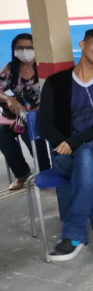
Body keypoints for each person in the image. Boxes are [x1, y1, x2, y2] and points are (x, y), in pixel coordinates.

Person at [38, 29, 93, 263]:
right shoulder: (57, 83)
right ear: (83, 44)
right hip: (64, 154)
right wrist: (64, 144)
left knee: (87, 153)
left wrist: (75, 142)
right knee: (91, 174)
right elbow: (45, 125)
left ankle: (73, 233)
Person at [0, 34, 50, 190]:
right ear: (14, 50)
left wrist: (26, 117)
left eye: (29, 48)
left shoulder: (43, 68)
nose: (24, 51)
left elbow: (52, 97)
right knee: (2, 134)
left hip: (41, 113)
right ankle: (22, 174)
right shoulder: (11, 68)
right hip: (18, 114)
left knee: (28, 131)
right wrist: (9, 99)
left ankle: (45, 171)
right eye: (20, 48)